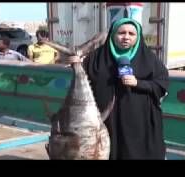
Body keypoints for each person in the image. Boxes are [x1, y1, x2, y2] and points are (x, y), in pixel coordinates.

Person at [68, 18, 169, 160]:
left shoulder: (149, 58)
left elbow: (162, 84)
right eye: (121, 33)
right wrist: (75, 63)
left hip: (139, 121)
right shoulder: (96, 57)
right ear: (113, 34)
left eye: (131, 34)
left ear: (138, 36)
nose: (126, 37)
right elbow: (81, 78)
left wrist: (138, 83)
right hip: (106, 120)